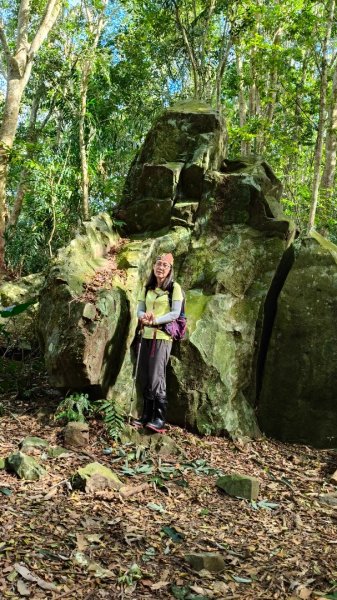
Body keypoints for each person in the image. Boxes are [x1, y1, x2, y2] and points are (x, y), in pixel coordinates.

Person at [133, 253, 183, 432]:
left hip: (162, 337)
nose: (160, 267)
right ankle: (146, 415)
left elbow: (175, 313)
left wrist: (155, 320)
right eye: (158, 264)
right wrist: (143, 317)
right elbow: (139, 309)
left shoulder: (174, 288)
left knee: (156, 376)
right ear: (154, 266)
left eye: (165, 265)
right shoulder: (147, 288)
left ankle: (159, 418)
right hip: (146, 335)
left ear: (170, 269)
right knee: (145, 375)